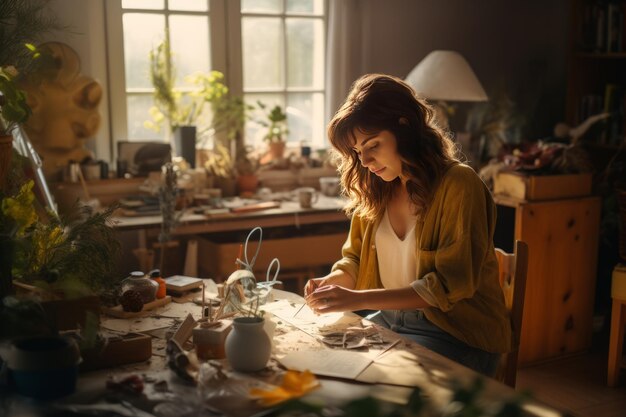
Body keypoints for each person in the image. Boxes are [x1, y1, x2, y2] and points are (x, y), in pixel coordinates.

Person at [304, 73, 511, 376]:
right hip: (390, 322)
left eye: (373, 145)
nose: (365, 161)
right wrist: (331, 283)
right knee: (319, 365)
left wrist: (355, 300)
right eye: (358, 152)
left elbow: (446, 286)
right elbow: (355, 260)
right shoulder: (376, 189)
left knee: (375, 385)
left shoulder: (459, 184)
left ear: (405, 127)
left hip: (457, 336)